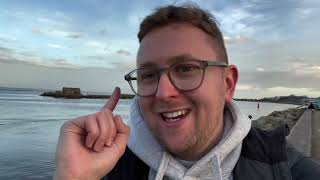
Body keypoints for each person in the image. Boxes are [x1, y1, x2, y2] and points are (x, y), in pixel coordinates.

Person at [54, 4, 320, 180]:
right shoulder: (107, 170)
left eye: (185, 68)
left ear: (227, 84)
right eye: (148, 75)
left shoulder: (290, 172)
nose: (163, 93)